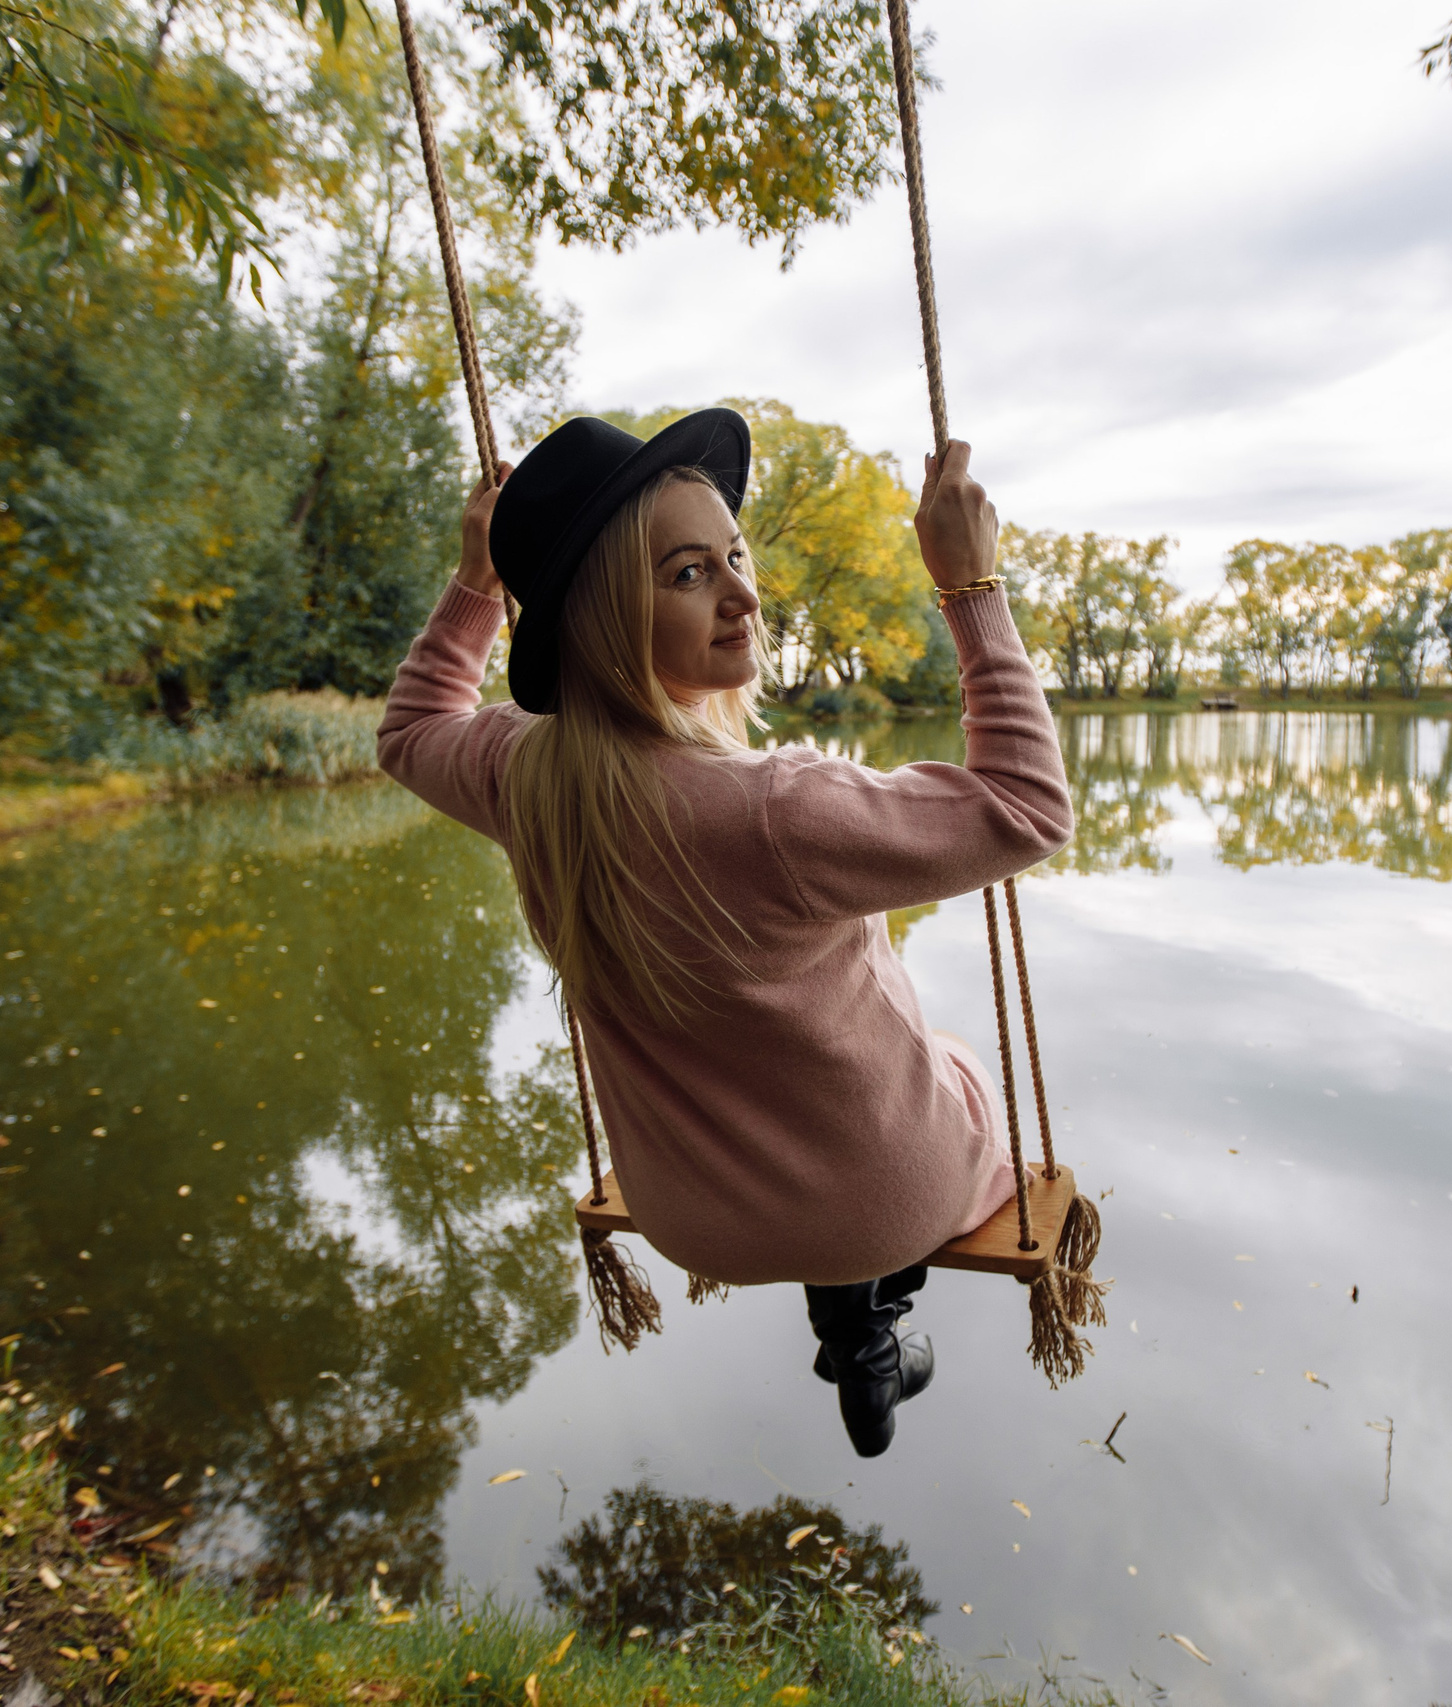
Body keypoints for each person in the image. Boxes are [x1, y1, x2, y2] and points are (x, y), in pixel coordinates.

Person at [376, 408, 1073, 1456]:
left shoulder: (522, 774)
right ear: (605, 615)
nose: (744, 593)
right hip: (887, 1203)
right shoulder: (784, 807)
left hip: (687, 1215)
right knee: (953, 1063)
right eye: (689, 574)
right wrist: (970, 589)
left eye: (735, 557)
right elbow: (1028, 807)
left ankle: (860, 1343)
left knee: (852, 1097)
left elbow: (411, 727)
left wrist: (475, 583)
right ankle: (867, 1333)